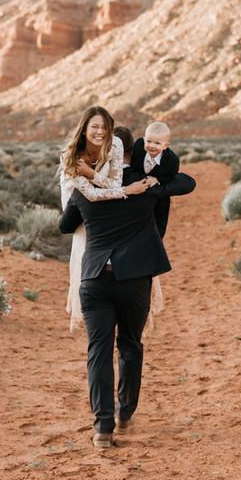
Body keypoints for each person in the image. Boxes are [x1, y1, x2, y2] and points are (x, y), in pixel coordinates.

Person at [59, 127, 196, 447]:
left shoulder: (85, 189)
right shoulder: (144, 187)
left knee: (98, 351)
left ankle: (102, 427)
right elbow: (187, 182)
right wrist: (155, 181)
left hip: (93, 278)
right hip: (134, 279)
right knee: (131, 344)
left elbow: (65, 226)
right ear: (131, 156)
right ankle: (124, 414)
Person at [59, 106, 148, 331]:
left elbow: (115, 183)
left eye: (105, 127)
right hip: (82, 196)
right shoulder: (70, 155)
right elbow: (91, 195)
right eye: (95, 127)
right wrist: (129, 191)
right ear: (84, 129)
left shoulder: (115, 144)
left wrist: (94, 175)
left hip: (105, 189)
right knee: (86, 241)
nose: (101, 132)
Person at [131, 121, 179, 238]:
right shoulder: (138, 147)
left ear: (165, 145)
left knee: (159, 218)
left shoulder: (172, 161)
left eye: (157, 143)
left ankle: (157, 239)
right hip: (137, 191)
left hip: (159, 197)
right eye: (149, 141)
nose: (152, 146)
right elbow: (132, 164)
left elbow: (170, 176)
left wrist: (157, 179)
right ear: (143, 139)